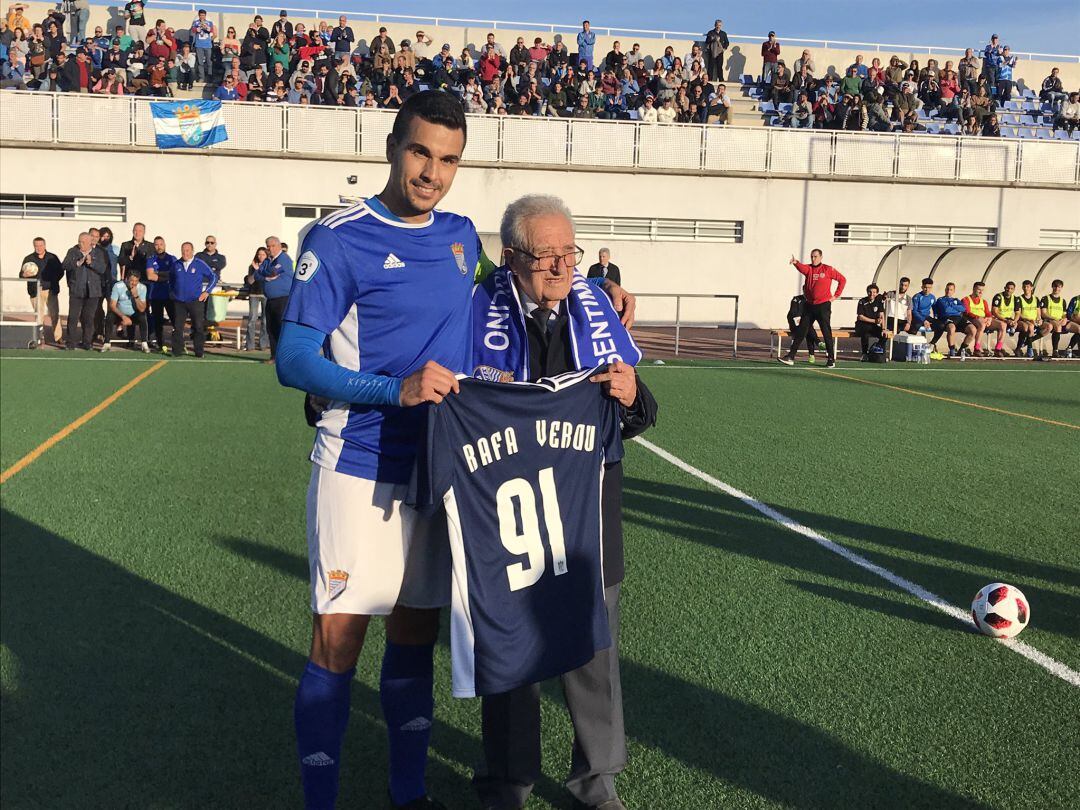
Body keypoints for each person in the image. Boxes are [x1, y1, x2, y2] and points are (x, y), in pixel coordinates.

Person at [273, 91, 634, 810]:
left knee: (413, 640)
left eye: (448, 160)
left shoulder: (462, 237)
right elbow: (293, 359)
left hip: (446, 474)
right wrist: (392, 389)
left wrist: (599, 290)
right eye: (420, 152)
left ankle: (409, 797)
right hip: (359, 464)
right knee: (338, 643)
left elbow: (514, 287)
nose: (432, 172)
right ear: (392, 146)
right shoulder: (336, 239)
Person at [469, 194, 655, 810]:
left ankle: (595, 781)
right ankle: (507, 779)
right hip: (505, 509)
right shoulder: (475, 310)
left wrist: (629, 392)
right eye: (546, 255)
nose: (561, 267)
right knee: (509, 643)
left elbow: (643, 412)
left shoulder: (597, 308)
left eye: (569, 253)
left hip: (587, 510)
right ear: (511, 257)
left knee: (594, 646)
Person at [778, 249, 845, 368]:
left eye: (815, 256)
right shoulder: (809, 269)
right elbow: (802, 267)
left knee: (826, 332)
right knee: (801, 331)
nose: (813, 259)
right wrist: (795, 262)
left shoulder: (828, 269)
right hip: (810, 306)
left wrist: (835, 295)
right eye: (812, 257)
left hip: (823, 305)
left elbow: (842, 279)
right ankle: (791, 356)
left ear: (821, 257)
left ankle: (831, 359)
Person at [170, 241, 217, 358]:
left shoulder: (199, 264)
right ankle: (177, 351)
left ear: (192, 251)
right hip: (179, 302)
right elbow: (171, 279)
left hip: (195, 301)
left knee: (198, 326)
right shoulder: (176, 264)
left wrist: (207, 291)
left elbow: (214, 277)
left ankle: (199, 351)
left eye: (187, 250)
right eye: (183, 250)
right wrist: (172, 293)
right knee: (178, 326)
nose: (185, 253)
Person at [62, 232, 107, 351]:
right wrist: (77, 263)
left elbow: (102, 269)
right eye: (79, 241)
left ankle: (87, 342)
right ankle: (70, 342)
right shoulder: (73, 251)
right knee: (73, 317)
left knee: (89, 318)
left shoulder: (98, 253)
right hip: (76, 290)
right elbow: (65, 265)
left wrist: (91, 263)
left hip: (92, 291)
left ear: (89, 242)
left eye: (82, 242)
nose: (80, 244)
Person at [256, 235, 292, 362]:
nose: (270, 249)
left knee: (281, 328)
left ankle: (285, 357)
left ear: (279, 246)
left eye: (272, 246)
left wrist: (264, 273)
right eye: (268, 246)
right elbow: (256, 275)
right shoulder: (268, 260)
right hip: (270, 300)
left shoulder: (284, 258)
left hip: (282, 299)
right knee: (271, 328)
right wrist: (265, 276)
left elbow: (273, 272)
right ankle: (274, 356)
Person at [20, 236, 64, 343]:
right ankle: (39, 337)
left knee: (54, 314)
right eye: (36, 246)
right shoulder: (28, 259)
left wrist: (52, 281)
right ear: (33, 246)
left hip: (50, 290)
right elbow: (21, 275)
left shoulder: (52, 258)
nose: (38, 248)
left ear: (44, 245)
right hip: (35, 290)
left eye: (40, 245)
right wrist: (24, 275)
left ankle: (58, 337)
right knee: (39, 316)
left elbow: (61, 272)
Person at [102, 267, 149, 352]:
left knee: (143, 316)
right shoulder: (118, 286)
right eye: (131, 281)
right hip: (120, 313)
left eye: (136, 281)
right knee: (109, 316)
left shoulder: (142, 288)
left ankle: (144, 343)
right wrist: (123, 317)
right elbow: (112, 305)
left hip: (134, 313)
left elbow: (142, 309)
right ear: (127, 279)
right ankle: (106, 342)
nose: (134, 283)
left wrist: (136, 296)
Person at [144, 236, 176, 351]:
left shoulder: (172, 258)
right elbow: (150, 276)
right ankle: (160, 344)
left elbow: (174, 275)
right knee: (158, 321)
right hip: (155, 295)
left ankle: (177, 343)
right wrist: (165, 276)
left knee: (175, 320)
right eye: (156, 244)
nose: (159, 247)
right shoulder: (151, 259)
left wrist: (158, 274)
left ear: (165, 244)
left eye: (161, 244)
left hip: (169, 295)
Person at [959, 281, 991, 358]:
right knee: (981, 324)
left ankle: (998, 348)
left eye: (982, 290)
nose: (981, 292)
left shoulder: (984, 301)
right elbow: (967, 312)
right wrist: (978, 317)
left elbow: (988, 313)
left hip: (982, 320)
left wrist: (989, 319)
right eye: (978, 289)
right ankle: (977, 348)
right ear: (973, 289)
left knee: (1002, 325)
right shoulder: (966, 299)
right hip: (971, 319)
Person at [1038, 279, 1069, 358]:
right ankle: (1055, 351)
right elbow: (1043, 313)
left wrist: (1064, 319)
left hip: (1058, 320)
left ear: (1061, 288)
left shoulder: (1063, 301)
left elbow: (1064, 314)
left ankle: (1069, 349)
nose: (1057, 289)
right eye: (1055, 286)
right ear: (1052, 287)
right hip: (1048, 320)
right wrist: (1054, 318)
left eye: (1059, 287)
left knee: (1074, 327)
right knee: (1057, 326)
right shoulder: (1046, 298)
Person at [854, 283, 886, 359]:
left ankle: (875, 350)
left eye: (874, 292)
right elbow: (860, 317)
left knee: (884, 335)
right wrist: (874, 321)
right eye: (870, 292)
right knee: (865, 334)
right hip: (861, 325)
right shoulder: (862, 301)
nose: (872, 294)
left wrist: (883, 329)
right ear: (867, 292)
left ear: (877, 293)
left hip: (872, 326)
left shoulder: (879, 302)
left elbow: (882, 315)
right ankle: (865, 354)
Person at [786, 293, 821, 363]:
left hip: (804, 325)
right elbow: (793, 312)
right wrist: (800, 319)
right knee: (807, 328)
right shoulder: (796, 299)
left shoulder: (810, 301)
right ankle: (817, 343)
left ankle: (811, 355)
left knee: (807, 329)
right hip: (795, 324)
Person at [990, 281, 1018, 358]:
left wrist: (1014, 321)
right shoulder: (998, 297)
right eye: (1008, 288)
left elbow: (1018, 313)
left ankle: (1020, 348)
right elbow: (994, 312)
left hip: (1008, 320)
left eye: (1011, 289)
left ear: (1014, 290)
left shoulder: (1015, 298)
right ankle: (998, 349)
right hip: (996, 319)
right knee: (1003, 325)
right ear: (1005, 288)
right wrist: (1005, 320)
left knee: (1024, 327)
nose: (1009, 290)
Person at [1014, 279, 1041, 358]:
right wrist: (1028, 319)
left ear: (1031, 288)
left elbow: (1038, 312)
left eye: (1028, 287)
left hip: (1033, 321)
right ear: (1022, 288)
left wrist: (1039, 319)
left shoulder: (1036, 299)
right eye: (1024, 287)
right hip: (1022, 320)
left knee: (1047, 327)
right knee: (1028, 327)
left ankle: (1024, 344)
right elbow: (1018, 313)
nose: (1026, 288)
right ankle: (1029, 348)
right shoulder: (1019, 299)